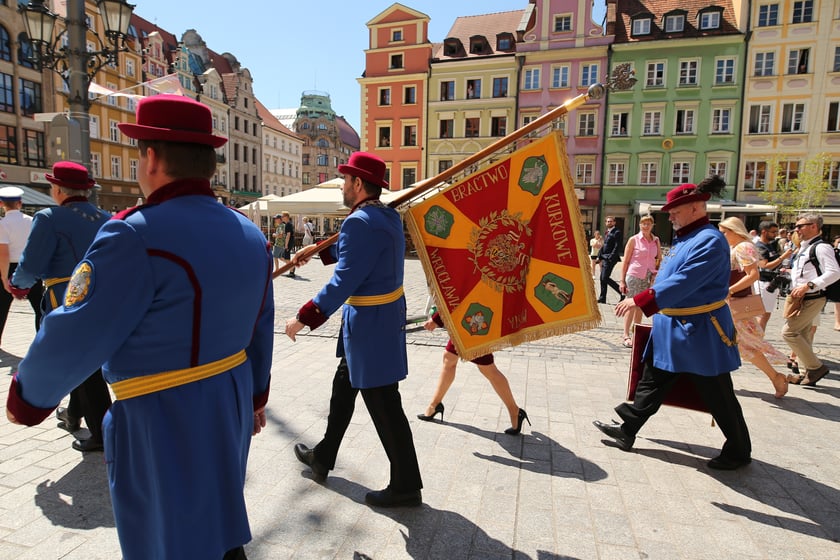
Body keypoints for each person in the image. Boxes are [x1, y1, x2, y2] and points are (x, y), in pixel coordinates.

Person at [5, 94, 274, 560]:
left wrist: (27, 398)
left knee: (165, 535)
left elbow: (78, 328)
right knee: (219, 515)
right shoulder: (249, 232)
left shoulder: (134, 232)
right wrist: (255, 395)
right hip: (230, 393)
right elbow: (261, 324)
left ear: (150, 157)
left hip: (162, 409)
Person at [285, 151, 422, 508]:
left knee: (384, 404)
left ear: (359, 184)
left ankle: (406, 483)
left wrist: (305, 316)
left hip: (369, 328)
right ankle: (323, 457)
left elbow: (345, 278)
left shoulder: (361, 222)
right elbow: (358, 252)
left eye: (346, 180)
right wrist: (316, 250)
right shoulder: (386, 216)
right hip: (376, 323)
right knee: (342, 390)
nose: (342, 186)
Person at [593, 177, 752, 471]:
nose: (670, 216)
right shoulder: (687, 237)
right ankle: (627, 430)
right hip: (674, 328)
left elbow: (686, 281)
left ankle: (739, 450)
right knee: (652, 381)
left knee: (718, 392)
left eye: (675, 210)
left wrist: (642, 300)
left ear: (694, 207)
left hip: (700, 331)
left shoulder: (709, 240)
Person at [8, 162, 112, 451]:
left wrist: (19, 284)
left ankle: (102, 432)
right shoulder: (105, 217)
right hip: (103, 295)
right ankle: (75, 414)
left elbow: (32, 262)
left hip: (66, 298)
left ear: (57, 189)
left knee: (80, 363)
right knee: (85, 361)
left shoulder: (49, 217)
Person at [417, 311, 529, 434]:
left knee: (488, 369)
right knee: (449, 358)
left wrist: (437, 319)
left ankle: (515, 411)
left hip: (477, 321)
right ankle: (434, 405)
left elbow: (461, 292)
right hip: (470, 318)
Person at [718, 217, 789, 398]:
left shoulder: (742, 247)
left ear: (734, 231)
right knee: (733, 343)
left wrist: (729, 290)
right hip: (730, 303)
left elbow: (753, 275)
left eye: (724, 232)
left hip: (734, 304)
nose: (721, 235)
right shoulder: (737, 247)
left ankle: (775, 377)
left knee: (745, 345)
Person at [782, 213, 840, 386]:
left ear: (814, 226)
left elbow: (834, 272)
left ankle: (816, 367)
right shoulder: (804, 247)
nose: (796, 229)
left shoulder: (822, 247)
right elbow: (806, 271)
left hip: (813, 298)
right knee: (804, 336)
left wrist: (809, 285)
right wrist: (789, 274)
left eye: (800, 226)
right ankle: (806, 373)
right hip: (801, 298)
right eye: (796, 226)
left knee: (789, 333)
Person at [0, 187, 43, 344]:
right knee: (39, 307)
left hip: (9, 267)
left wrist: (4, 278)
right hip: (30, 266)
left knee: (1, 308)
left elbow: (3, 254)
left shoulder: (3, 224)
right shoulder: (32, 221)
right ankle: (41, 340)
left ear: (1, 204)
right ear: (20, 203)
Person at [618, 215, 660, 348]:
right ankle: (626, 335)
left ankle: (636, 333)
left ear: (652, 225)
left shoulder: (656, 240)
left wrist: (656, 273)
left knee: (641, 305)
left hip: (648, 277)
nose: (645, 226)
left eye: (648, 224)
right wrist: (622, 280)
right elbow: (625, 261)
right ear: (640, 225)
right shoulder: (634, 240)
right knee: (631, 305)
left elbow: (659, 259)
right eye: (643, 224)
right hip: (635, 275)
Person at [754, 221, 793, 331]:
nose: (776, 234)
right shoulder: (759, 247)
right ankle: (758, 340)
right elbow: (765, 266)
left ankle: (760, 339)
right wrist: (783, 257)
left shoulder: (771, 245)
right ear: (764, 232)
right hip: (763, 283)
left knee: (766, 315)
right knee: (761, 315)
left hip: (773, 283)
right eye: (773, 232)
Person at [596, 216, 623, 304]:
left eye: (611, 221)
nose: (609, 223)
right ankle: (602, 298)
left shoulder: (617, 232)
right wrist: (599, 256)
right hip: (605, 257)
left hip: (611, 259)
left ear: (614, 223)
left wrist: (610, 257)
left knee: (605, 278)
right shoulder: (607, 232)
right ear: (605, 223)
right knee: (602, 278)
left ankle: (621, 292)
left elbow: (617, 246)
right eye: (607, 221)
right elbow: (605, 245)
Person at [280, 210, 296, 278]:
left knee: (286, 257)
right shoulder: (288, 224)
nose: (282, 218)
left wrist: (286, 245)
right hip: (289, 242)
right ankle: (291, 268)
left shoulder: (288, 224)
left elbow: (288, 235)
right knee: (283, 257)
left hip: (289, 242)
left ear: (286, 217)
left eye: (282, 216)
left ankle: (292, 270)